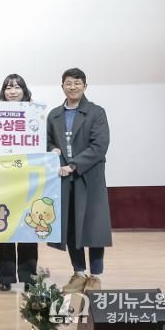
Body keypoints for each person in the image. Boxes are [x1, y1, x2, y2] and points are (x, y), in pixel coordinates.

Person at [47, 68, 111, 293]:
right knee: (71, 228)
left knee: (94, 228)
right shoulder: (54, 115)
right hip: (64, 179)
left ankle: (95, 276)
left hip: (89, 178)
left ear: (85, 86)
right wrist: (52, 150)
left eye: (77, 83)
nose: (72, 87)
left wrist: (74, 165)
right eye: (68, 83)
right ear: (62, 86)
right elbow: (47, 141)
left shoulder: (96, 112)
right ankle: (79, 273)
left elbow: (99, 146)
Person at [0, 74, 38, 292]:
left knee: (28, 228)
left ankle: (29, 277)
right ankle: (6, 276)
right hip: (3, 179)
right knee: (5, 228)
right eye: (8, 88)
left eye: (17, 87)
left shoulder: (35, 114)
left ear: (24, 90)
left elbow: (43, 142)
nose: (12, 91)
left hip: (28, 178)